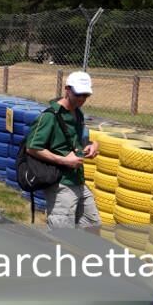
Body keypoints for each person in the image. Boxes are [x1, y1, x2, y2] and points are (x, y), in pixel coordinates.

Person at [25, 71, 100, 229]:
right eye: (79, 94)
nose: (82, 99)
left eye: (86, 95)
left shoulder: (78, 114)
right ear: (67, 89)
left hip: (78, 180)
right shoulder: (49, 116)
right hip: (60, 183)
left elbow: (76, 141)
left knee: (93, 225)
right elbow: (32, 147)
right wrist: (63, 160)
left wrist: (92, 145)